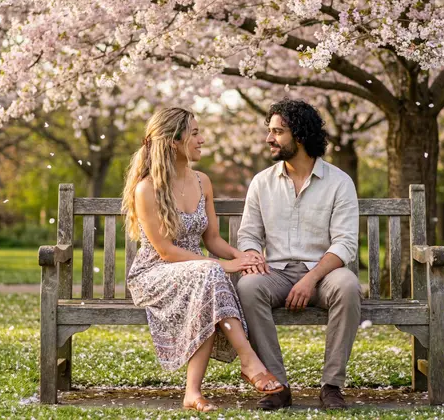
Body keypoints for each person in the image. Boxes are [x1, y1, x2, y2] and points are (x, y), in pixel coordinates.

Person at [123, 107, 283, 413]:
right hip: (155, 273)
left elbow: (212, 240)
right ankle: (248, 361)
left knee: (206, 282)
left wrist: (241, 256)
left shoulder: (202, 181)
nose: (202, 140)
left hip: (198, 273)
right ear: (173, 141)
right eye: (195, 134)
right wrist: (223, 265)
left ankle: (192, 393)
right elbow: (166, 252)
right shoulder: (147, 189)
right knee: (209, 274)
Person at [237, 98, 362, 410]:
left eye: (278, 132)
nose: (269, 138)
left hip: (324, 275)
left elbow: (345, 244)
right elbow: (249, 234)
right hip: (276, 274)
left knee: (348, 286)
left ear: (300, 136)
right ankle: (277, 386)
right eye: (270, 131)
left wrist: (311, 279)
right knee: (248, 287)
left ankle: (332, 386)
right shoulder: (261, 182)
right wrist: (253, 255)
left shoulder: (339, 182)